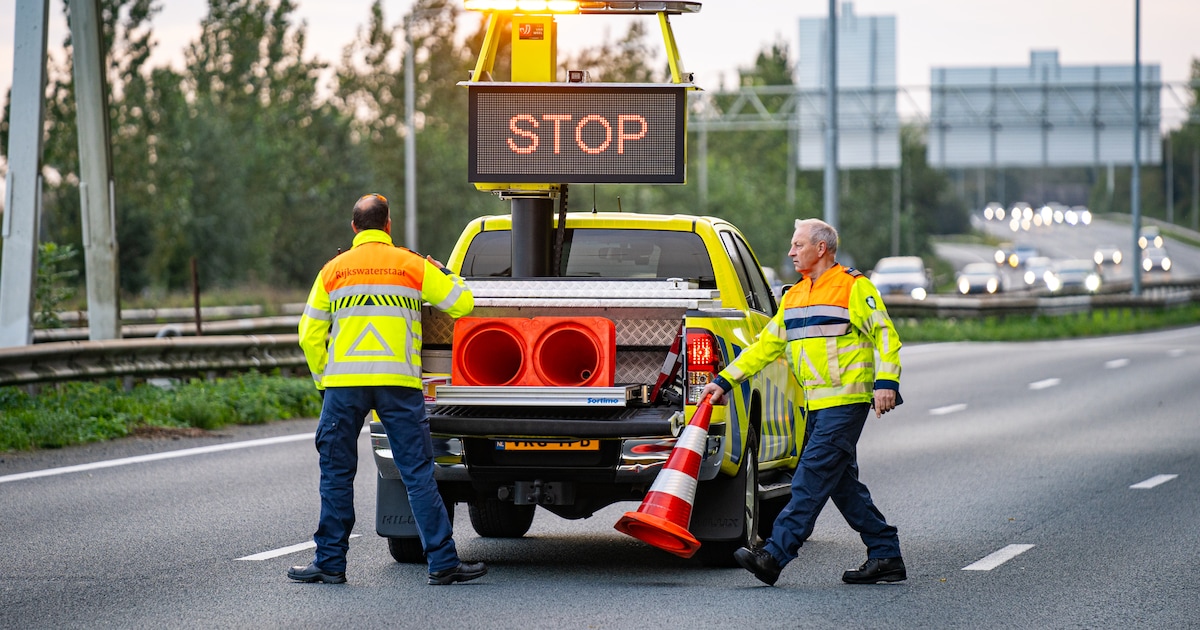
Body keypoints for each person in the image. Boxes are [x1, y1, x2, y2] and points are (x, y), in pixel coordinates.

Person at [290, 193, 486, 586]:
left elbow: (308, 334)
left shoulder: (333, 270)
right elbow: (463, 304)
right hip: (398, 385)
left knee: (336, 473)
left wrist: (324, 380)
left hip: (344, 386)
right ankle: (442, 563)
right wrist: (446, 272)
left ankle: (330, 563)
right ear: (388, 225)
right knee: (417, 473)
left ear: (354, 227)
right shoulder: (411, 265)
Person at [701, 218, 906, 587]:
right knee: (842, 485)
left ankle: (774, 556)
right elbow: (764, 347)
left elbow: (886, 335)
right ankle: (885, 553)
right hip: (814, 405)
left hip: (846, 403)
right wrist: (724, 381)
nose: (791, 252)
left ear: (821, 248)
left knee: (809, 479)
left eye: (798, 245)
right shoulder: (794, 296)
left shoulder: (853, 287)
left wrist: (886, 382)